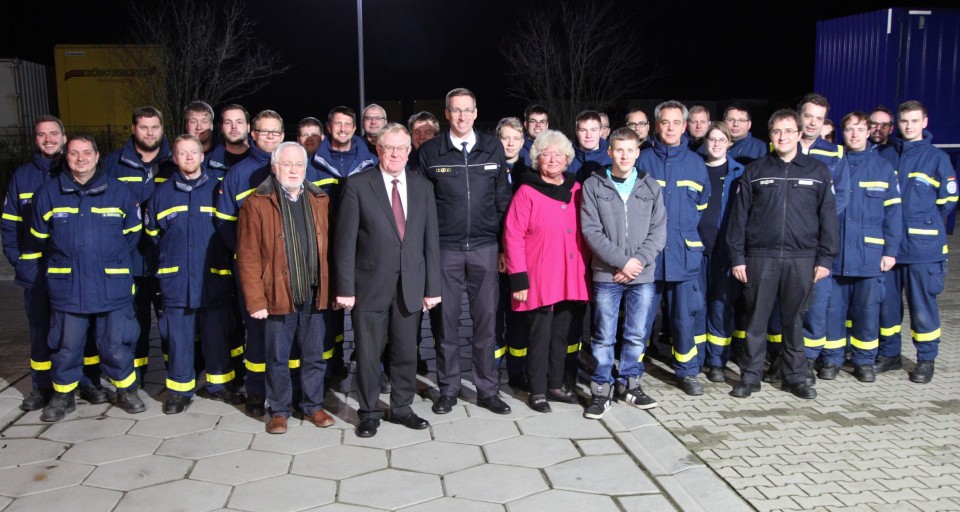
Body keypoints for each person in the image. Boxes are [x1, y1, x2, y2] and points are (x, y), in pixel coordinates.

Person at [334, 124, 441, 437]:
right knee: (368, 354)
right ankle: (368, 412)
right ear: (378, 150)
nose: (395, 153)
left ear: (410, 151)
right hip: (369, 287)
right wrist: (345, 289)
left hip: (410, 287)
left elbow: (429, 240)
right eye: (389, 147)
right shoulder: (357, 185)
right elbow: (345, 242)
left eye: (401, 148)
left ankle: (402, 407)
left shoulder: (423, 187)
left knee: (406, 352)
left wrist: (432, 288)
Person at [29, 134, 145, 421]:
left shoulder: (118, 192)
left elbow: (132, 235)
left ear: (97, 156)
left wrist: (105, 259)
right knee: (66, 345)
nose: (80, 159)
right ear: (66, 157)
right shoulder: (49, 193)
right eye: (74, 153)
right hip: (68, 286)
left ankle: (127, 390)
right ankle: (63, 394)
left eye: (86, 153)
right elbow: (40, 239)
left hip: (111, 283)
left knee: (115, 344)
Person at [726, 109, 838, 400]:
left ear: (799, 135)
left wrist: (826, 259)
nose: (783, 136)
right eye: (777, 131)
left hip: (802, 259)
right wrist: (737, 257)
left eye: (789, 131)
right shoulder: (756, 170)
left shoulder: (817, 172)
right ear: (771, 135)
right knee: (755, 322)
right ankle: (750, 377)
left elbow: (829, 219)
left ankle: (796, 377)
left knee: (794, 322)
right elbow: (738, 218)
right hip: (760, 257)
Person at [2, 116, 108, 411]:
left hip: (73, 271)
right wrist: (20, 260)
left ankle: (88, 381)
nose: (48, 139)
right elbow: (10, 226)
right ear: (35, 139)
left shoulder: (76, 173)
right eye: (41, 135)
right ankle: (42, 386)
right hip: (37, 272)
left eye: (53, 134)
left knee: (82, 328)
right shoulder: (22, 177)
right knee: (41, 330)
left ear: (64, 138)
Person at [419, 87, 513, 416]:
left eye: (468, 110)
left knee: (486, 322)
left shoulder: (492, 147)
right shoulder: (431, 151)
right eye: (456, 110)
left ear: (475, 113)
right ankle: (448, 388)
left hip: (486, 248)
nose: (462, 116)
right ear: (446, 113)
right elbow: (424, 208)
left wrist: (503, 247)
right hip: (445, 249)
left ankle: (487, 389)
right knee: (445, 323)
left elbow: (504, 201)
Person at [237, 141, 335, 434]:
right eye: (287, 165)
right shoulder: (257, 203)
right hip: (277, 294)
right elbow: (248, 256)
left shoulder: (321, 200)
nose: (294, 170)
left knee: (314, 354)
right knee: (278, 357)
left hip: (314, 292)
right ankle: (278, 411)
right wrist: (255, 300)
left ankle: (313, 405)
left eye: (299, 165)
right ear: (274, 167)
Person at [145, 135, 243, 414]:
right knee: (179, 339)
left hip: (214, 277)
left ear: (203, 156)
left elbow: (231, 231)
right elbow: (153, 235)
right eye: (182, 153)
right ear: (174, 158)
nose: (188, 157)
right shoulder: (161, 194)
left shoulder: (218, 190)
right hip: (176, 281)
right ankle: (179, 390)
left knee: (217, 335)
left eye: (193, 152)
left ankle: (220, 385)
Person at [580, 127, 666, 418]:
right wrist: (620, 262)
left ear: (638, 153)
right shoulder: (594, 186)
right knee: (604, 335)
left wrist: (635, 263)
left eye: (630, 150)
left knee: (636, 334)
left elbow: (659, 231)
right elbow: (591, 231)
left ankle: (630, 384)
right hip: (607, 274)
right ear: (610, 151)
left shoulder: (650, 186)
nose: (624, 155)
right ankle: (601, 389)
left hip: (641, 275)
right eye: (619, 149)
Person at [504, 130, 589, 413]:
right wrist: (518, 278)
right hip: (539, 275)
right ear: (537, 159)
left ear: (567, 159)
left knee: (562, 334)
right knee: (538, 335)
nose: (552, 159)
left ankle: (556, 384)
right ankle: (537, 389)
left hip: (571, 274)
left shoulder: (577, 189)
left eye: (558, 154)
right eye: (546, 154)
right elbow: (513, 235)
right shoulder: (527, 191)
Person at [877, 100, 958, 383]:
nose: (909, 126)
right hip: (890, 249)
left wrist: (923, 223)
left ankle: (926, 359)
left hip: (923, 250)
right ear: (897, 124)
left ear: (924, 122)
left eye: (914, 121)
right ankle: (890, 355)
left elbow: (947, 202)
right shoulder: (886, 154)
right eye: (904, 121)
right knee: (887, 307)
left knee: (922, 307)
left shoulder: (937, 158)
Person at [215, 109, 289, 417]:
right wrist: (249, 257)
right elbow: (224, 222)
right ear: (253, 135)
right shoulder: (238, 175)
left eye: (275, 132)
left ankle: (288, 392)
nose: (270, 137)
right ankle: (256, 392)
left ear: (282, 136)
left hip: (289, 270)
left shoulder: (296, 167)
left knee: (288, 333)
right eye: (264, 131)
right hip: (256, 271)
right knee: (256, 334)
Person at [636, 100, 710, 396]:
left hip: (683, 255)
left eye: (676, 122)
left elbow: (701, 207)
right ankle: (632, 371)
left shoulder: (696, 163)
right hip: (649, 256)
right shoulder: (643, 161)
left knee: (683, 317)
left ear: (685, 126)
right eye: (664, 122)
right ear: (657, 126)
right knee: (640, 318)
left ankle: (687, 371)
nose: (670, 127)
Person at [823, 112, 901, 383]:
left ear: (869, 132)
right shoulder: (832, 164)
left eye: (859, 128)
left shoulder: (882, 168)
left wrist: (890, 251)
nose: (854, 134)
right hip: (836, 254)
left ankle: (864, 361)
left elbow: (893, 214)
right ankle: (831, 359)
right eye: (849, 129)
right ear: (842, 134)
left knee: (867, 312)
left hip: (870, 256)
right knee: (833, 310)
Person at [102, 106, 173, 379]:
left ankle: (176, 379)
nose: (150, 132)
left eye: (155, 127)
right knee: (132, 325)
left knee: (169, 324)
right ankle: (135, 380)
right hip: (128, 261)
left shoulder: (175, 161)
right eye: (144, 127)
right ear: (133, 128)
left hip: (165, 260)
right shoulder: (112, 164)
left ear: (162, 128)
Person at [793, 93, 850, 383]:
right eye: (808, 116)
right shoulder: (782, 145)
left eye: (819, 117)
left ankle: (808, 361)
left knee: (816, 303)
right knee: (786, 303)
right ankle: (786, 357)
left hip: (816, 241)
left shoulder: (835, 155)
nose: (813, 122)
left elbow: (839, 200)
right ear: (799, 115)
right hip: (787, 242)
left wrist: (812, 222)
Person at [695, 122, 745, 383]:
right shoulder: (695, 168)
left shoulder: (739, 172)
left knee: (720, 307)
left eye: (721, 139)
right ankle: (696, 357)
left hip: (724, 252)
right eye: (711, 139)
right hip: (696, 251)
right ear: (705, 142)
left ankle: (717, 361)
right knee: (696, 306)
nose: (715, 144)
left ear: (729, 143)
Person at [495, 117, 530, 390]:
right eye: (505, 137)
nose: (510, 143)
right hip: (494, 255)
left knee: (519, 315)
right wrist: (498, 250)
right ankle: (491, 370)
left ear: (522, 141)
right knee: (493, 314)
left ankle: (517, 371)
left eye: (515, 138)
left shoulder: (530, 170)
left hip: (522, 255)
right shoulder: (487, 168)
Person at [568, 110, 612, 183]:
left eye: (593, 130)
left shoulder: (613, 157)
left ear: (600, 131)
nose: (588, 135)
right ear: (576, 131)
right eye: (583, 130)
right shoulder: (566, 157)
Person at [206, 104, 251, 171]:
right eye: (228, 122)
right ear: (221, 128)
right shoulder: (206, 164)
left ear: (248, 127)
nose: (234, 126)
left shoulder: (266, 161)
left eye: (239, 122)